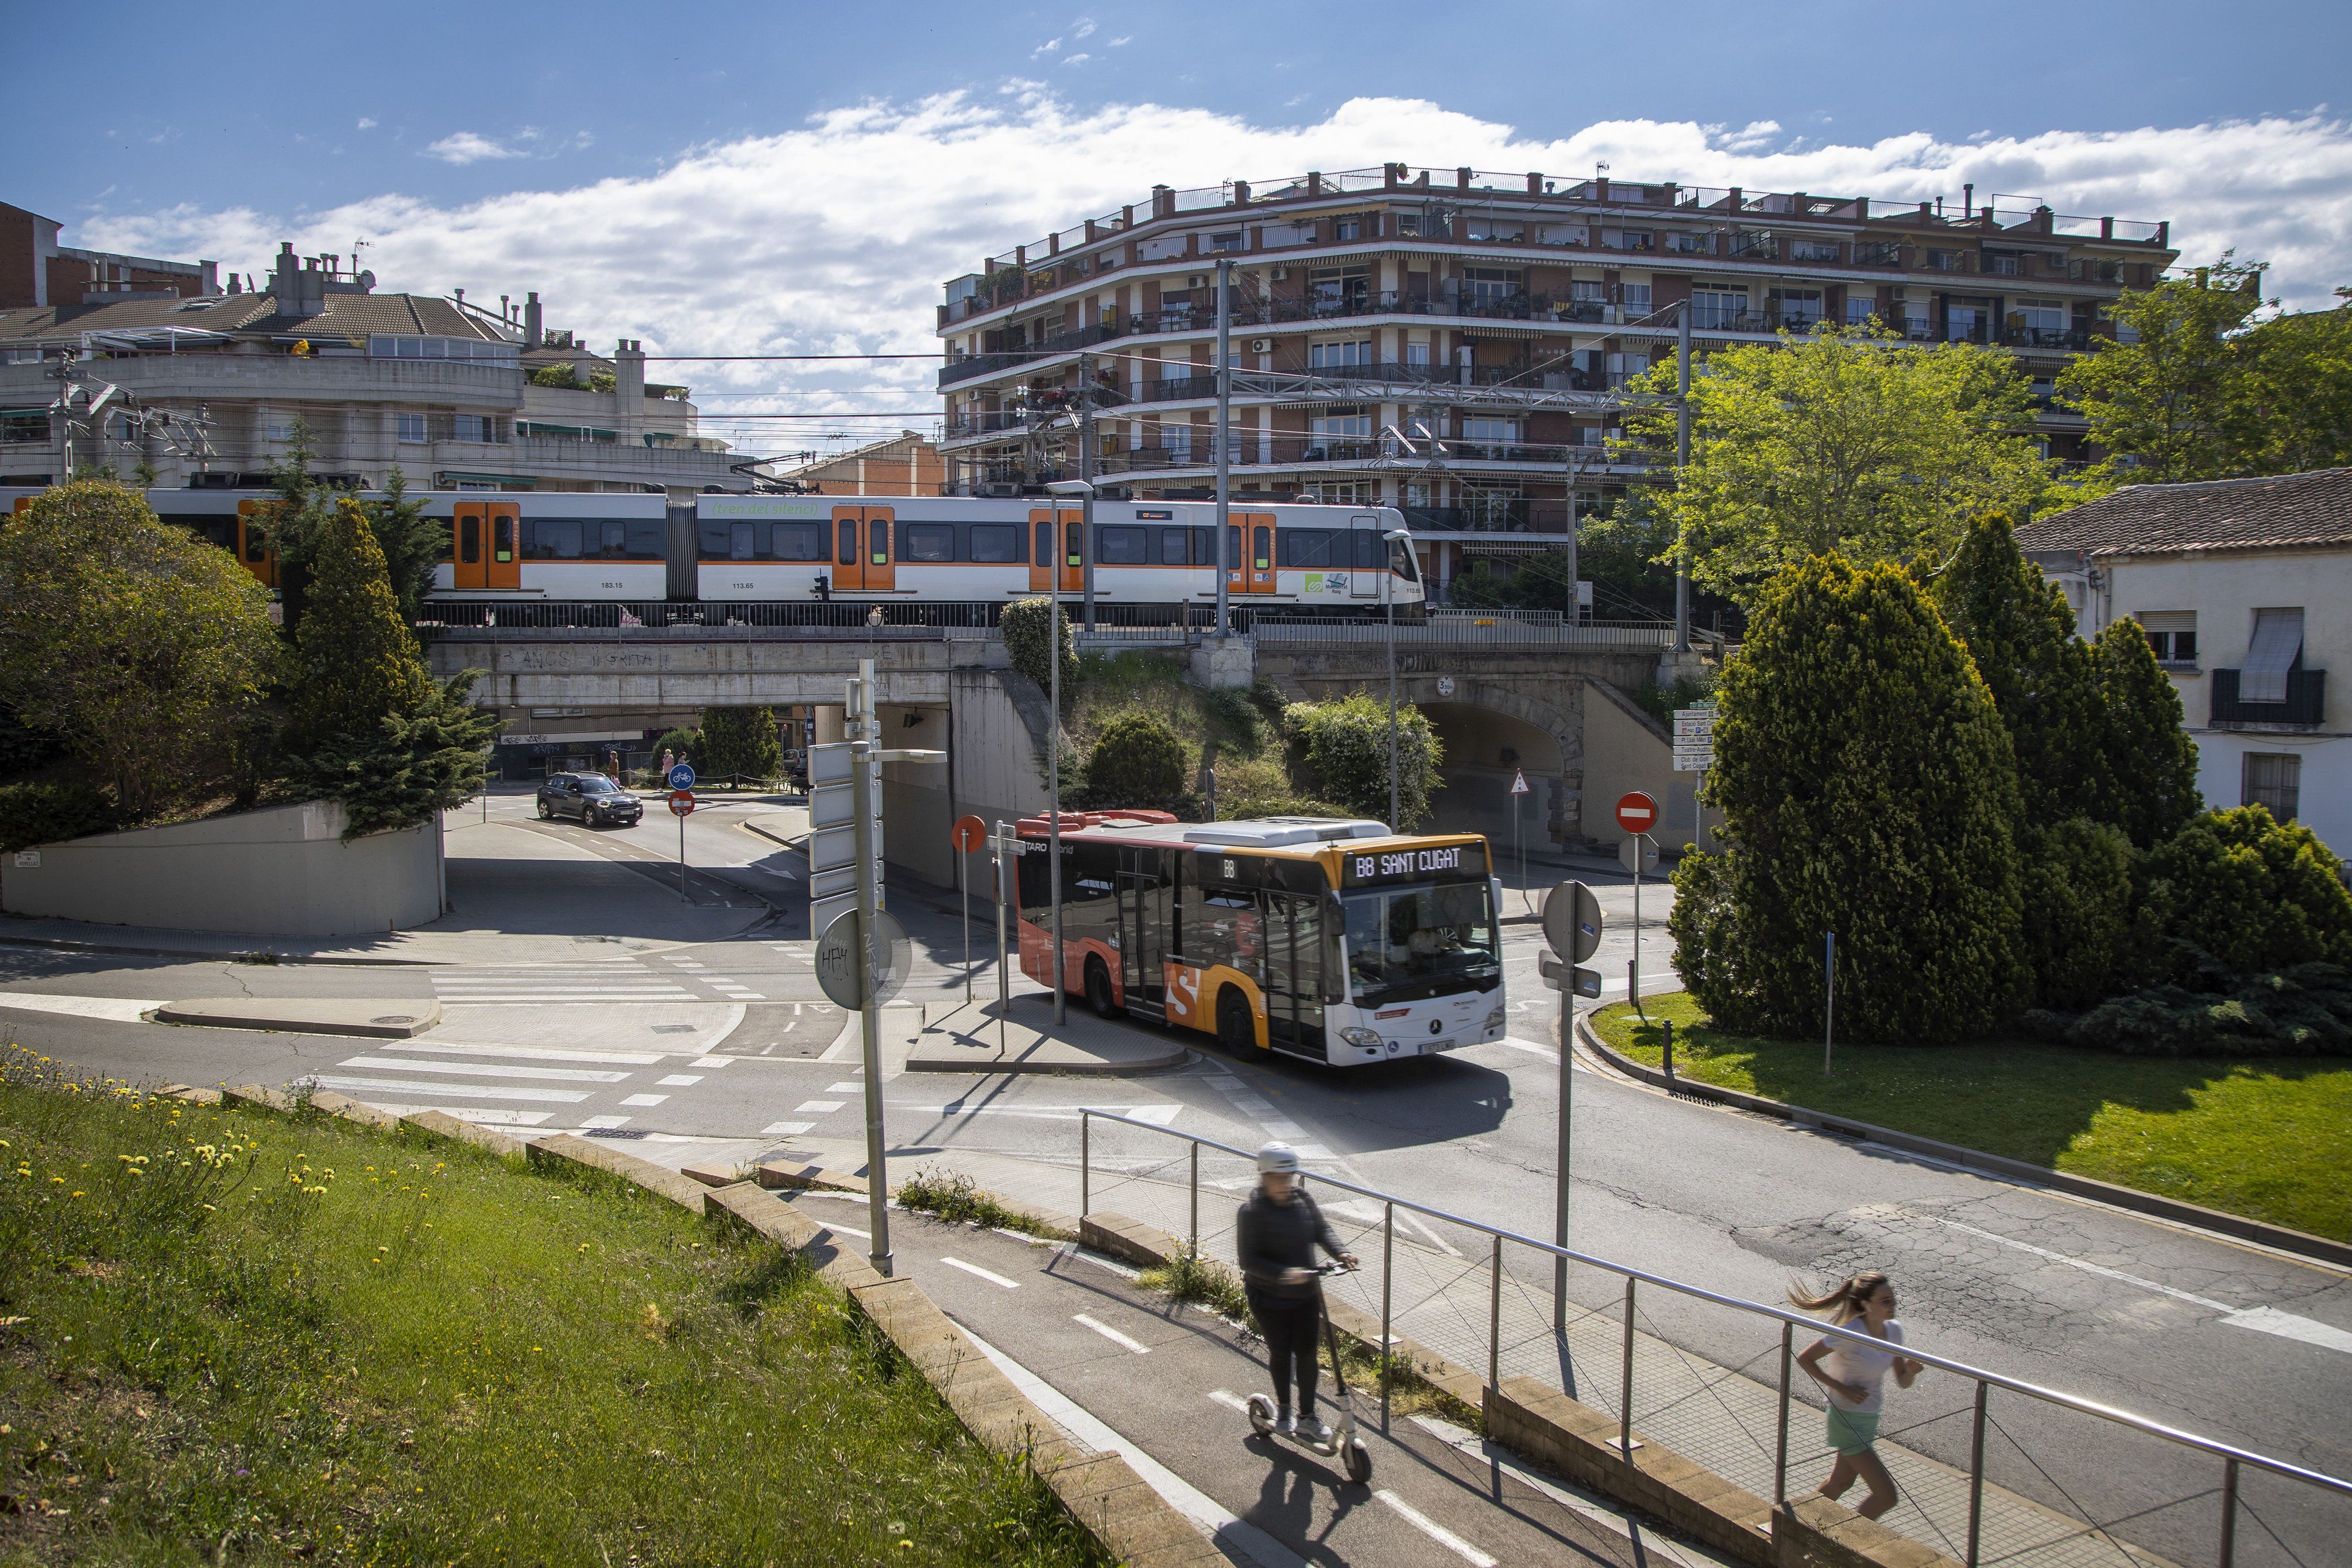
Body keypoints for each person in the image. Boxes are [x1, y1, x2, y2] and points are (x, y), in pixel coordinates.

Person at [1236, 1143, 1357, 1442]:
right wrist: (1283, 1274)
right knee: (1281, 1351)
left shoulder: (1303, 1201)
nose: (1285, 1184)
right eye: (1278, 1178)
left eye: (1289, 1177)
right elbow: (1248, 1261)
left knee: (1307, 1353)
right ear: (1264, 1177)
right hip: (1268, 1297)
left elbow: (1321, 1230)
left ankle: (1308, 1417)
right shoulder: (1251, 1212)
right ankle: (1285, 1410)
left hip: (1305, 1293)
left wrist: (1341, 1252)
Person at [1790, 1271, 1922, 1520]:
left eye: (1893, 1300)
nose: (1892, 1305)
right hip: (1846, 1418)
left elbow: (1903, 1381)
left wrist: (1912, 1372)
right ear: (1866, 1304)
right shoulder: (1850, 1332)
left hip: (1869, 1417)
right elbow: (1806, 1359)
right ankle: (1843, 1540)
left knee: (1840, 1483)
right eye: (1885, 1301)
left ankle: (1798, 1523)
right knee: (1887, 1496)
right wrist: (1842, 1388)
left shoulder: (1894, 1331)